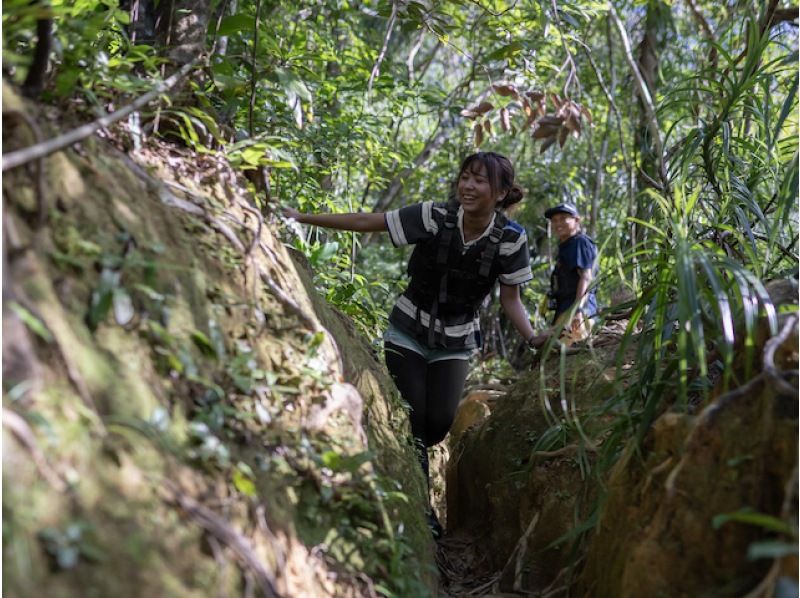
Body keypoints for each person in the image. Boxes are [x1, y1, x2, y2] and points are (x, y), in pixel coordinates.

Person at [283, 152, 538, 537]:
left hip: (456, 339)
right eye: (465, 178)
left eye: (479, 181)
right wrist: (301, 217)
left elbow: (511, 299)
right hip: (408, 330)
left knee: (436, 424)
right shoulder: (434, 216)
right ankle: (421, 514)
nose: (468, 186)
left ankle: (416, 476)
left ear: (500, 192)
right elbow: (371, 222)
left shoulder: (510, 240)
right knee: (415, 418)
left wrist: (534, 338)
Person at [542, 202, 597, 345]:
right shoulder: (566, 246)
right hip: (565, 309)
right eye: (554, 220)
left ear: (577, 220)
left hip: (577, 312)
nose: (557, 223)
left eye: (563, 218)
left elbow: (586, 277)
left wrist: (578, 310)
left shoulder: (580, 242)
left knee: (568, 354)